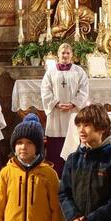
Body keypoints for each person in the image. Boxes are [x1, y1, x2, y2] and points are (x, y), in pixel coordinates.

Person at [41, 43, 90, 176]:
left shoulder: (79, 71)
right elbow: (45, 90)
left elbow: (84, 90)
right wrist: (55, 103)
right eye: (63, 53)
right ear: (58, 55)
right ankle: (55, 174)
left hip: (72, 113)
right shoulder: (51, 72)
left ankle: (74, 173)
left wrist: (74, 103)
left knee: (73, 139)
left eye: (68, 53)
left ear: (72, 55)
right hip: (56, 114)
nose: (65, 55)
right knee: (56, 144)